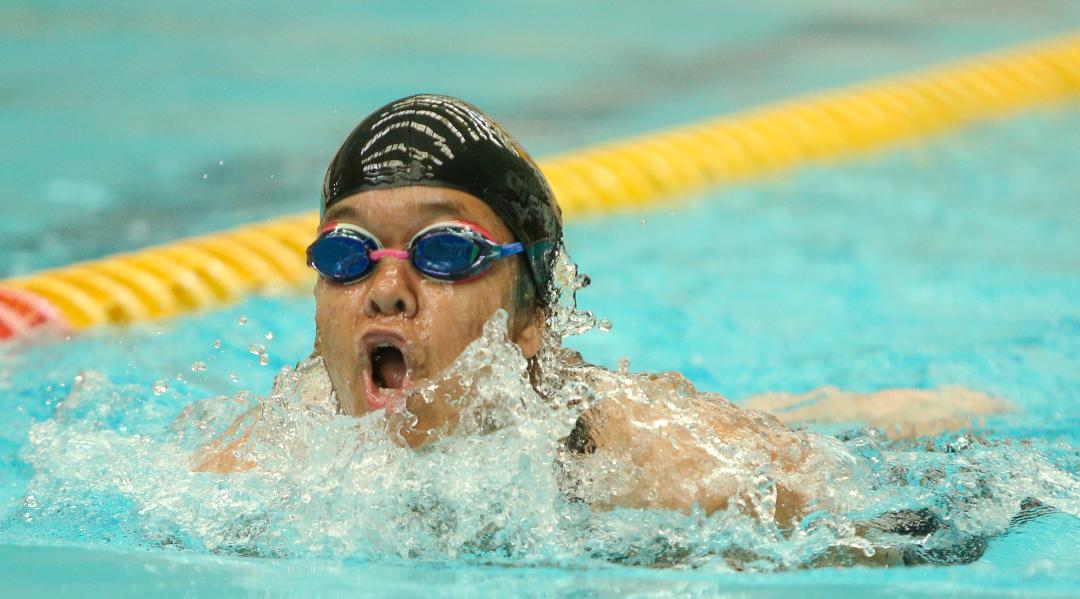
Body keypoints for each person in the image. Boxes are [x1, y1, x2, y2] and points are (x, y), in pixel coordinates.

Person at [195, 94, 1008, 565]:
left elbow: (951, 521)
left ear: (532, 316)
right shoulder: (247, 471)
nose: (387, 290)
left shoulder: (676, 470)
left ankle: (856, 409)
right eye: (347, 252)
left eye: (445, 250)